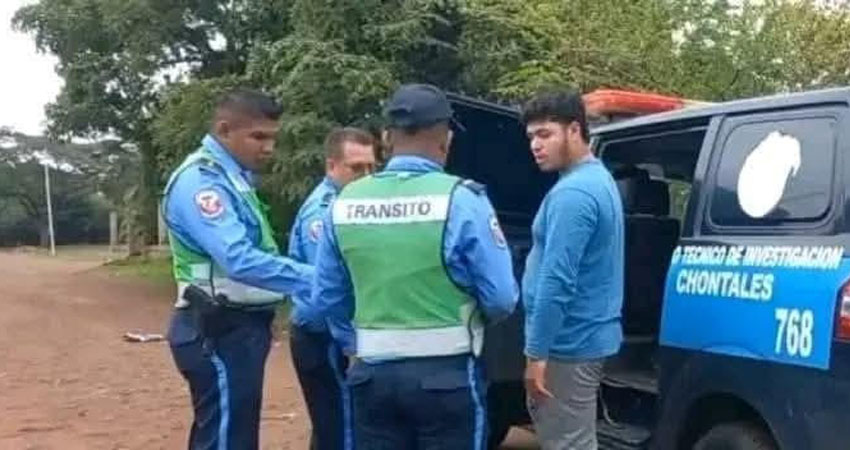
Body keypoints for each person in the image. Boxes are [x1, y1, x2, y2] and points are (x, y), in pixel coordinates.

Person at [311, 83, 519, 449]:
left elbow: (326, 297)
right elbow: (501, 298)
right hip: (447, 378)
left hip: (371, 376)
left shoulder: (343, 203)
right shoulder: (462, 199)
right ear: (446, 139)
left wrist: (354, 341)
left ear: (388, 137)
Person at [162, 89, 315, 450]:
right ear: (224, 129)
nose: (268, 148)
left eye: (273, 138)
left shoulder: (234, 179)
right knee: (228, 437)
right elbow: (239, 259)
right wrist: (317, 279)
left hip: (236, 326)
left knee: (230, 433)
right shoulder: (203, 181)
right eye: (258, 136)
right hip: (216, 327)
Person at [520, 89, 625, 450]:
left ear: (575, 130)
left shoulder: (574, 195)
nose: (536, 145)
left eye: (545, 134)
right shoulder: (597, 179)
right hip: (581, 339)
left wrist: (537, 355)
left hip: (567, 344)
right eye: (531, 136)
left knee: (567, 443)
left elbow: (557, 281)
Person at [287, 127, 377, 450]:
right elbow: (329, 290)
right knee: (344, 430)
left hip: (331, 333)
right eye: (356, 168)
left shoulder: (350, 204)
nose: (366, 176)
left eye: (372, 168)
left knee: (333, 426)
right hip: (325, 335)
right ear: (331, 166)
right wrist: (350, 344)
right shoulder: (323, 213)